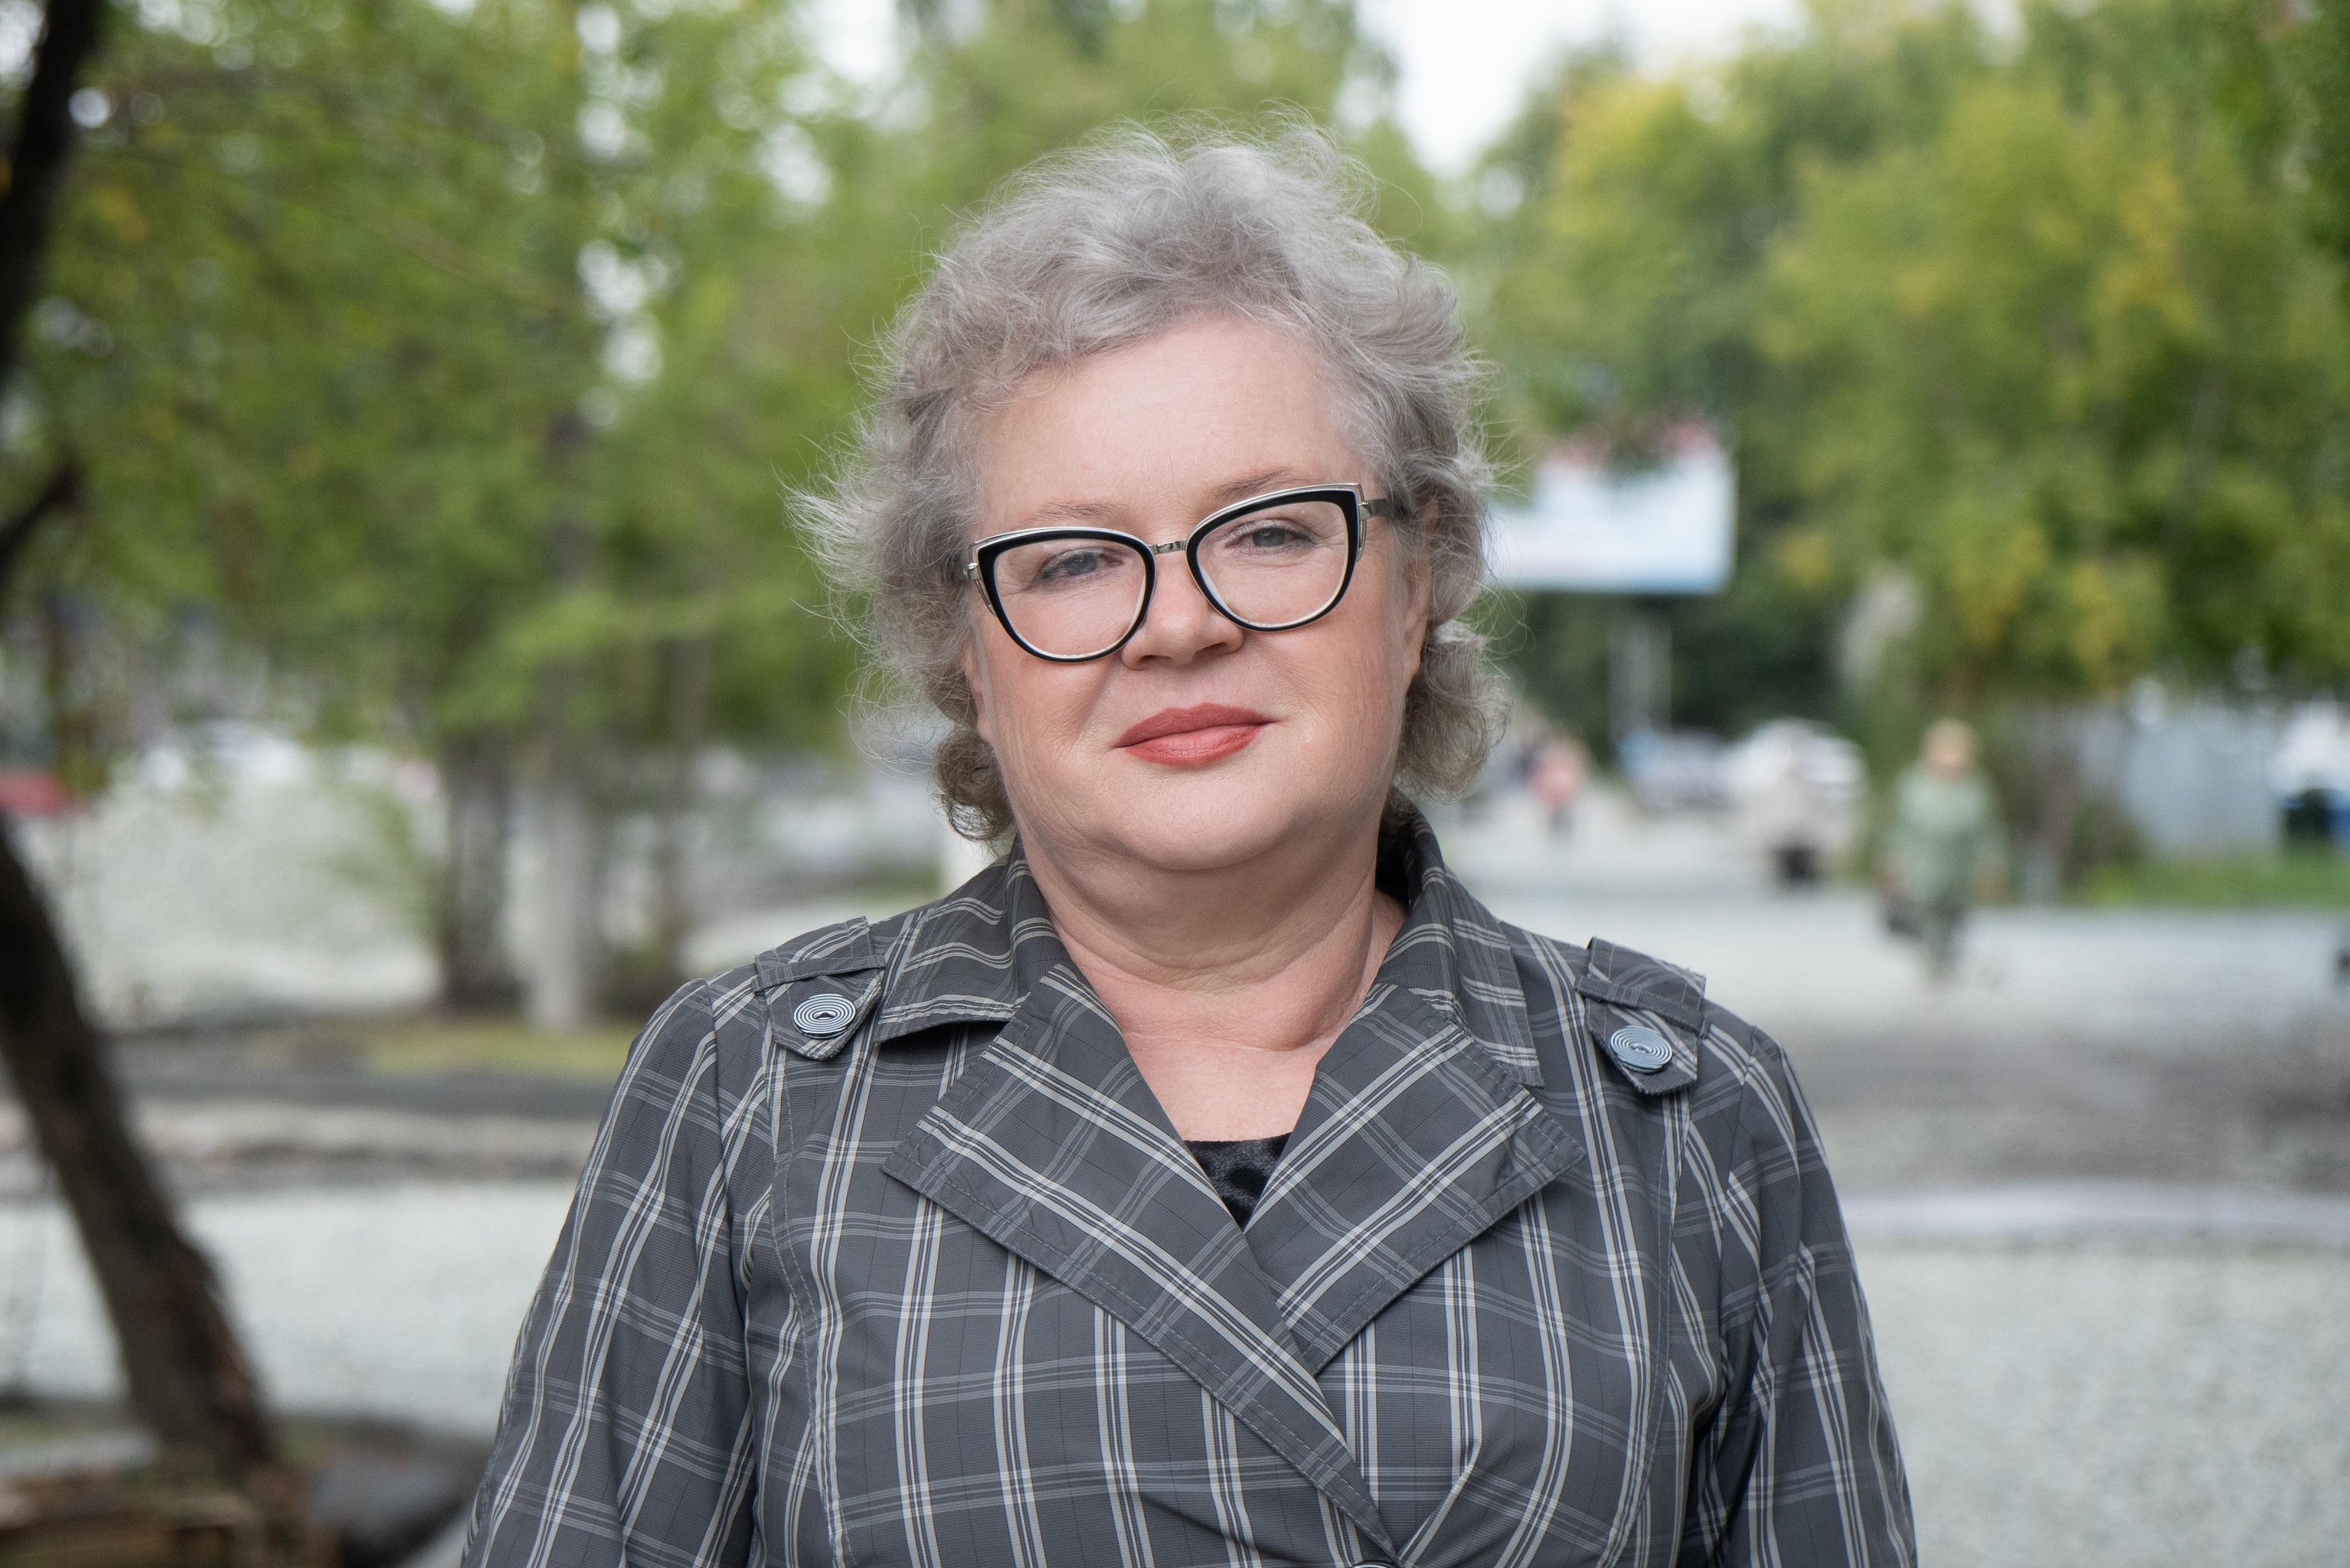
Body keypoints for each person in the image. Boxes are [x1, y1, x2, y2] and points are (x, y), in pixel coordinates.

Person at [465, 123, 1912, 1568]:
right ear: (968, 649)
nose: (1178, 624)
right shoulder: (750, 1099)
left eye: (1270, 531)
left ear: (1416, 587)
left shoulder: (1688, 1117)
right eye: (1073, 560)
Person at [1882, 717, 2004, 983]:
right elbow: (1899, 829)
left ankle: (1946, 956)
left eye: (1956, 752)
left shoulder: (1975, 789)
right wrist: (1892, 863)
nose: (1950, 759)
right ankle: (1932, 961)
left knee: (1953, 914)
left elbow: (1986, 831)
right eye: (1944, 751)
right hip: (1922, 867)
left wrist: (1991, 863)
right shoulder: (1913, 785)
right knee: (1925, 912)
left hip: (1959, 868)